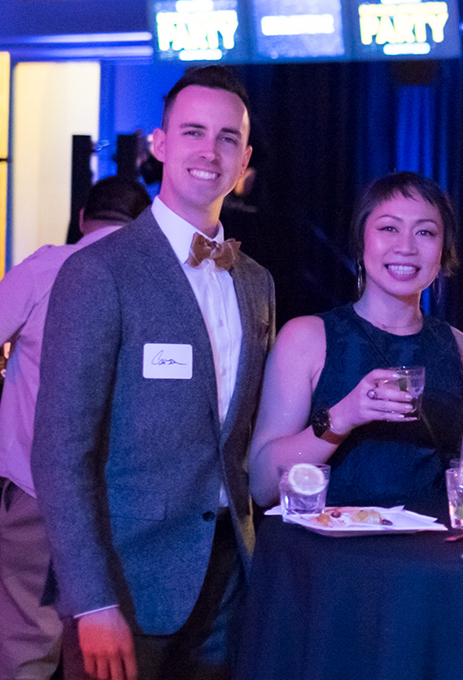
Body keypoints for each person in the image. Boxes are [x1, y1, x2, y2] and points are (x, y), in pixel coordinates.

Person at [31, 65, 273, 680]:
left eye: (227, 138)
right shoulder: (98, 272)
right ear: (160, 145)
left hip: (227, 581)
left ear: (243, 158)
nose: (209, 151)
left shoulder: (256, 283)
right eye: (193, 132)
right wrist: (93, 601)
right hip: (126, 585)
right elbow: (61, 453)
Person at [249, 172, 463, 510]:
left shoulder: (458, 347)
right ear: (361, 241)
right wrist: (343, 416)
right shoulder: (306, 338)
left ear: (443, 251)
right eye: (388, 228)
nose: (406, 247)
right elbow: (263, 485)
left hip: (432, 556)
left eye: (425, 232)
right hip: (331, 553)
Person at [0, 176, 149, 680]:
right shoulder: (153, 276)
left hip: (35, 487)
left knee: (27, 640)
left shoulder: (46, 266)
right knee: (112, 647)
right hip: (129, 497)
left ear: (83, 217)